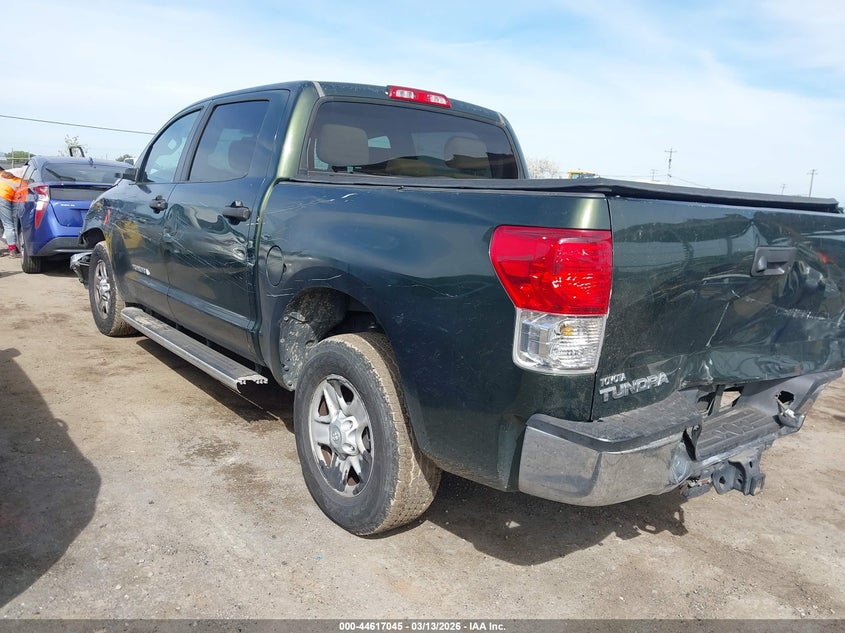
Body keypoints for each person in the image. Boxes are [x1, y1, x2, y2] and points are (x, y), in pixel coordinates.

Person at [0, 169, 21, 257]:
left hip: (3, 196)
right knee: (9, 223)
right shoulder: (22, 182)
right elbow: (16, 207)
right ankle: (12, 250)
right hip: (4, 198)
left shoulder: (2, 175)